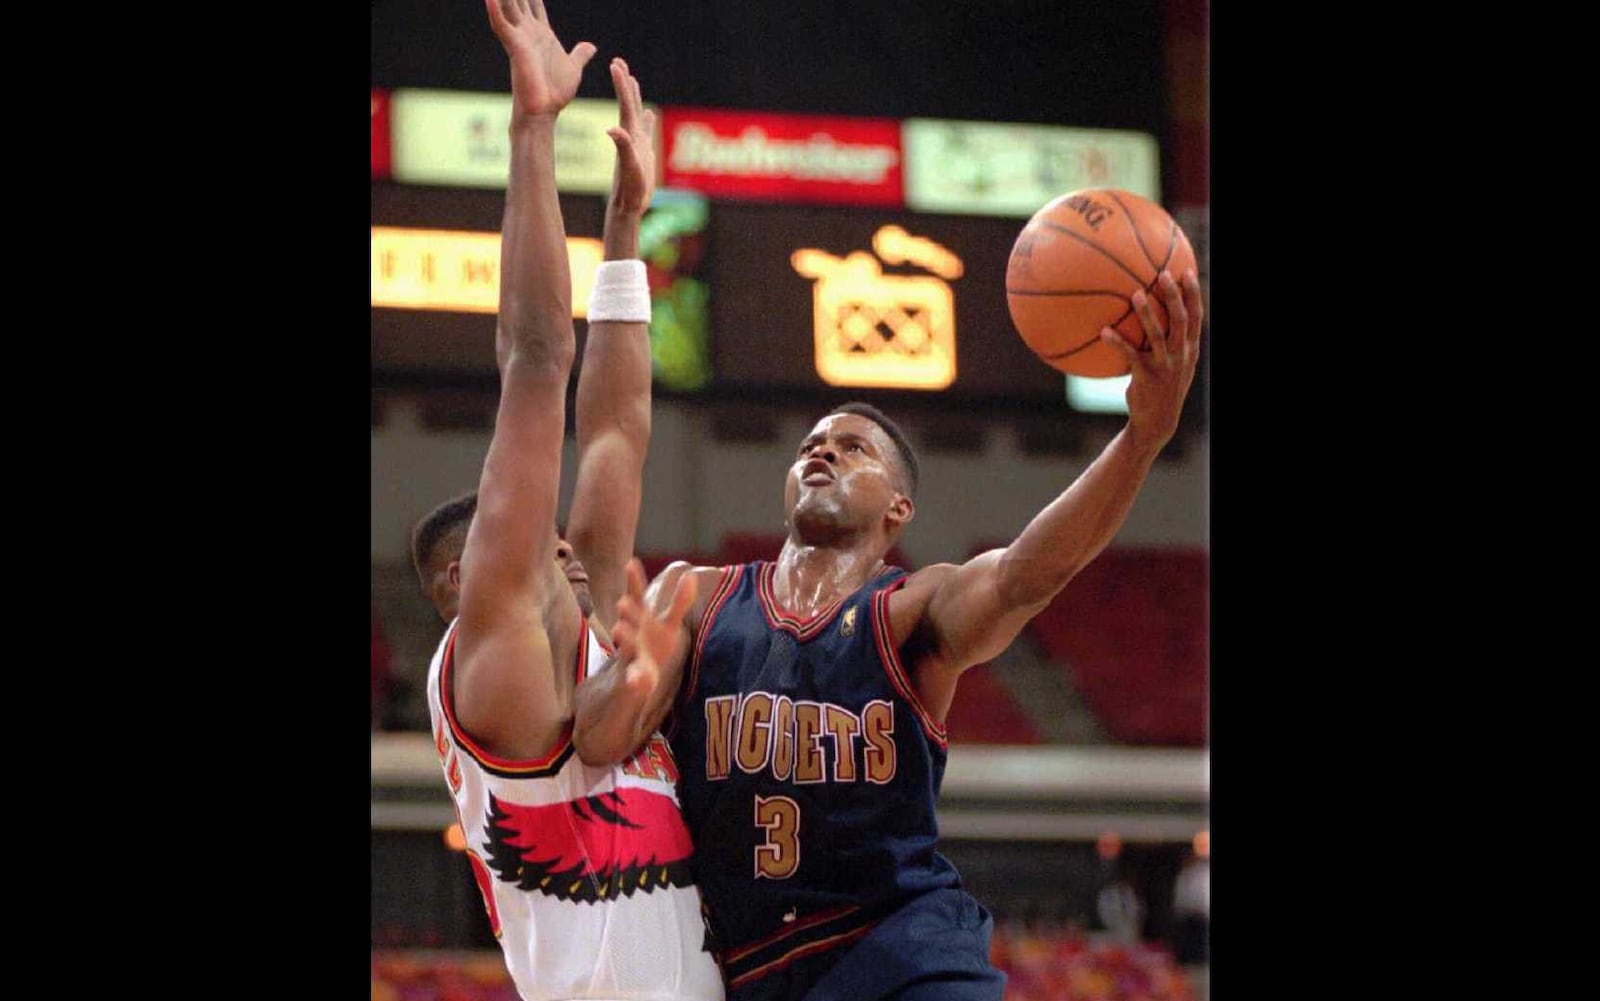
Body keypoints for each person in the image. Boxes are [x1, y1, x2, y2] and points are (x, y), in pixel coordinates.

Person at [574, 258, 1205, 998]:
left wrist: (1141, 437)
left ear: (897, 509)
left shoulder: (910, 610)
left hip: (901, 946)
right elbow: (595, 740)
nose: (823, 449)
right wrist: (634, 677)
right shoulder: (694, 595)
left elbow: (1024, 574)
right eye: (812, 442)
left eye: (854, 447)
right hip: (755, 968)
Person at [413, 2, 722, 998]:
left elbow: (622, 430)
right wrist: (534, 129)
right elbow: (539, 359)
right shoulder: (497, 647)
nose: (565, 541)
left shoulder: (577, 617)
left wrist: (628, 222)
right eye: (536, 540)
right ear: (467, 577)